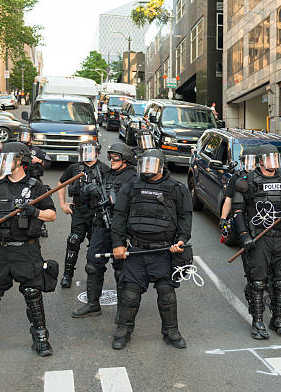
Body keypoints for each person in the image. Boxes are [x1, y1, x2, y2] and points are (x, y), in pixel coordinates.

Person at [0, 142, 56, 358]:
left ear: (20, 160)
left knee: (33, 292)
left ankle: (40, 336)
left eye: (8, 158)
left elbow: (51, 215)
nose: (3, 162)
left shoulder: (36, 187)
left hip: (26, 250)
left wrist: (34, 211)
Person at [110, 149, 192, 350]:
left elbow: (185, 217)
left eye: (151, 164)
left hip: (164, 251)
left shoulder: (177, 189)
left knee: (167, 294)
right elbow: (119, 217)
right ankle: (123, 331)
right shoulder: (130, 187)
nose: (147, 169)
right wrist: (118, 244)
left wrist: (181, 240)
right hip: (136, 249)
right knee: (130, 294)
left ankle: (171, 332)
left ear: (162, 165)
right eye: (144, 164)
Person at [232, 144, 281, 340]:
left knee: (280, 282)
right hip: (259, 238)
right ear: (260, 161)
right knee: (258, 281)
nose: (273, 163)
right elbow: (238, 211)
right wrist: (244, 236)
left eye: (275, 159)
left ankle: (277, 319)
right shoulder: (246, 182)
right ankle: (258, 321)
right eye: (269, 159)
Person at [72, 142, 136, 321]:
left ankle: (123, 310)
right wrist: (88, 189)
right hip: (100, 224)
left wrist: (111, 198)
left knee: (121, 269)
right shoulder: (106, 173)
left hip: (122, 228)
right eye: (111, 157)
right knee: (92, 265)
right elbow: (80, 192)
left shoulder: (132, 178)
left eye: (116, 157)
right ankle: (93, 304)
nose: (112, 160)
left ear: (126, 159)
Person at [57, 141, 110, 288]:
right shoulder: (74, 168)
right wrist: (63, 204)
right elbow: (61, 183)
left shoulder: (104, 169)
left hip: (96, 212)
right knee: (73, 240)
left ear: (97, 152)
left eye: (90, 151)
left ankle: (92, 275)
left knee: (95, 244)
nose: (87, 154)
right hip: (79, 210)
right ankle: (67, 274)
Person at [219, 146, 257, 233]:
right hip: (242, 217)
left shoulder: (261, 177)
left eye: (253, 159)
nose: (251, 162)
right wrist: (223, 218)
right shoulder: (236, 178)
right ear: (243, 161)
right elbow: (228, 198)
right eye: (248, 159)